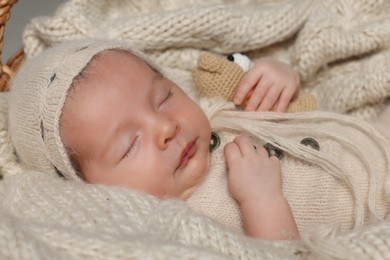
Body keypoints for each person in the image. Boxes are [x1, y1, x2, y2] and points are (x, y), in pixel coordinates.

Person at [8, 39, 390, 241]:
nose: (165, 127)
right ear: (95, 192)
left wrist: (278, 76)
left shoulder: (216, 111)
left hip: (371, 138)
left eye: (164, 98)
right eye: (129, 145)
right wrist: (261, 200)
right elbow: (281, 252)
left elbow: (279, 101)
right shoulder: (190, 224)